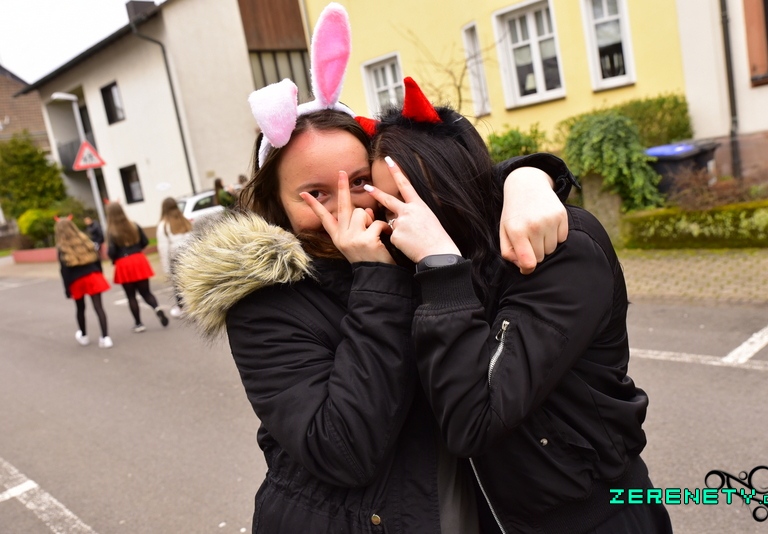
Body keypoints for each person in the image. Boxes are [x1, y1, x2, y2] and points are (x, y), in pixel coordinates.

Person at [173, 4, 574, 532]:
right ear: (275, 206)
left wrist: (529, 178)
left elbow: (463, 182)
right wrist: (376, 277)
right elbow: (344, 451)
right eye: (315, 194)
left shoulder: (412, 241)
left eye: (360, 181)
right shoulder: (263, 303)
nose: (348, 206)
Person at [333, 77, 672, 533]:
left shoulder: (561, 250)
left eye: (405, 199)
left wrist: (442, 265)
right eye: (385, 205)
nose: (396, 222)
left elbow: (473, 421)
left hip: (598, 517)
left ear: (445, 185)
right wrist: (530, 171)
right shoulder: (427, 260)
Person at [106, 201, 169, 332]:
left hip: (123, 263)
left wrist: (115, 257)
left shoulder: (111, 231)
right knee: (146, 292)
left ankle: (139, 323)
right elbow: (145, 241)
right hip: (138, 259)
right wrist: (135, 249)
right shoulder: (134, 225)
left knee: (131, 296)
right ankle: (156, 307)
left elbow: (111, 252)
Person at [55, 217, 113, 349]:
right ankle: (106, 338)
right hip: (93, 276)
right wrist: (100, 273)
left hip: (77, 280)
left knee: (80, 309)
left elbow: (64, 270)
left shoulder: (62, 247)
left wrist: (67, 289)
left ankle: (84, 336)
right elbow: (97, 258)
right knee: (99, 307)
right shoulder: (85, 240)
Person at [156, 197, 193, 318]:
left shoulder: (163, 226)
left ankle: (181, 308)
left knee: (178, 285)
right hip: (190, 255)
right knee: (191, 282)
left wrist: (166, 268)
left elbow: (163, 249)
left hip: (176, 258)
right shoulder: (184, 221)